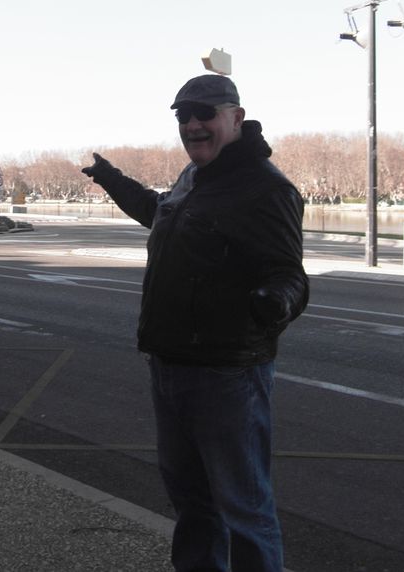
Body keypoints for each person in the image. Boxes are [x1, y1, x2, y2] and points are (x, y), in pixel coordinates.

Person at [82, 73, 308, 572]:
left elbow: (289, 274)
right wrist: (111, 178)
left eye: (204, 113)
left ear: (236, 118)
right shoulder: (193, 178)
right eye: (183, 116)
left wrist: (274, 302)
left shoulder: (266, 189)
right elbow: (158, 212)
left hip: (227, 373)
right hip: (171, 364)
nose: (193, 125)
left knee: (244, 509)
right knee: (193, 504)